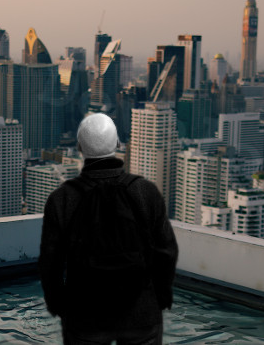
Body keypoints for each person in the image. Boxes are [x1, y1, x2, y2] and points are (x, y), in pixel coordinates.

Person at [39, 113, 179, 345]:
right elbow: (166, 252)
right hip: (140, 313)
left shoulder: (63, 198)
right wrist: (160, 298)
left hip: (85, 315)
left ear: (79, 148)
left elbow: (50, 263)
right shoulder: (145, 192)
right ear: (117, 145)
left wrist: (59, 306)